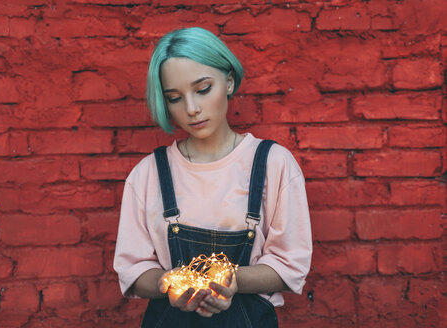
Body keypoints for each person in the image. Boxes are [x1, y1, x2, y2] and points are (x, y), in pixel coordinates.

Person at [114, 27, 312, 327]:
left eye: (203, 89)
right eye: (175, 98)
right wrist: (166, 282)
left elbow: (290, 265)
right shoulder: (148, 174)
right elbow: (133, 270)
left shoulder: (274, 163)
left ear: (229, 81)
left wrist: (233, 281)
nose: (192, 109)